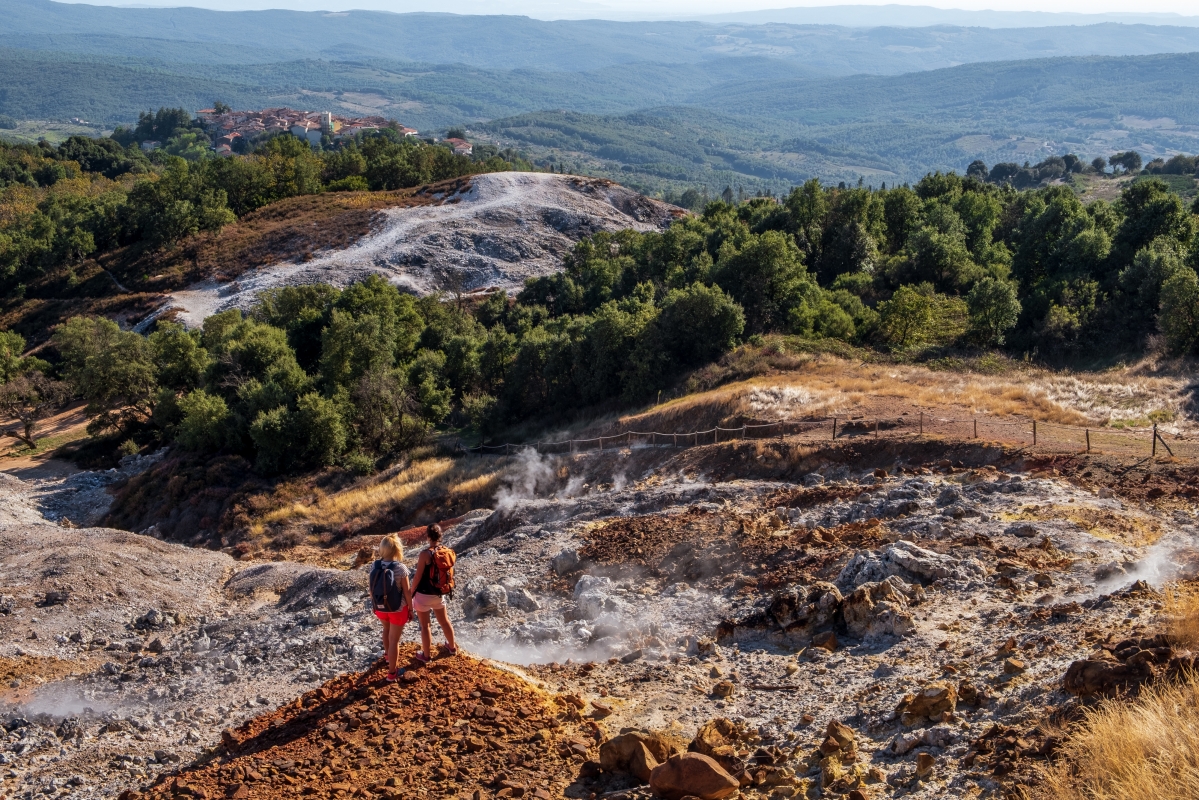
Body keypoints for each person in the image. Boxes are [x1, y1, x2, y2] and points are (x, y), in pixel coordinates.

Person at [410, 524, 458, 663]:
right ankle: (452, 647)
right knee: (444, 621)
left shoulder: (425, 554)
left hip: (423, 595)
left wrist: (411, 592)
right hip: (439, 593)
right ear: (440, 535)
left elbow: (418, 576)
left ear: (428, 536)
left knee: (425, 626)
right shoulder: (447, 551)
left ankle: (426, 656)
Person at [369, 534, 412, 682]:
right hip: (397, 609)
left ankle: (387, 656)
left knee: (386, 630)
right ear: (397, 549)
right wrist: (411, 609)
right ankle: (392, 673)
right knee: (394, 640)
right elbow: (407, 591)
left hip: (380, 607)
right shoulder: (400, 568)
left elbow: (371, 588)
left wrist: (375, 605)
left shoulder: (374, 565)